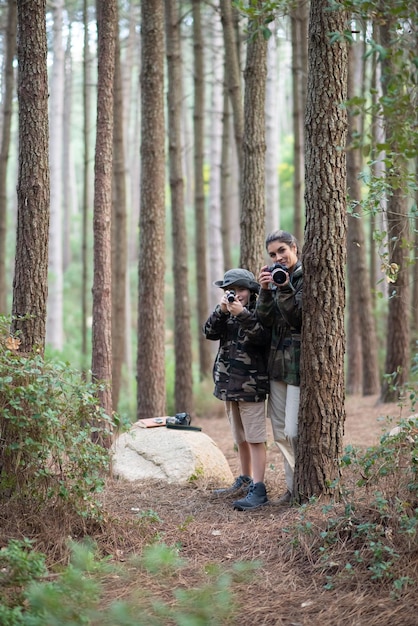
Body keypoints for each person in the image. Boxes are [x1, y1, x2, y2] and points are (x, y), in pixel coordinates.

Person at [203, 268, 271, 511]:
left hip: (250, 386)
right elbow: (209, 332)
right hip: (228, 385)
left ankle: (259, 487)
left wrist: (242, 314)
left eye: (241, 289)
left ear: (251, 291)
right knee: (240, 437)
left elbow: (262, 338)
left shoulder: (258, 310)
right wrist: (221, 311)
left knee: (254, 438)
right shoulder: (226, 313)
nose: (236, 294)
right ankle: (245, 479)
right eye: (230, 290)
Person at [256, 230, 302, 505]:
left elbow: (298, 317)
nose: (278, 258)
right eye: (273, 254)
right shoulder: (273, 279)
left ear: (294, 248)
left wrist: (283, 287)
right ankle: (291, 489)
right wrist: (264, 290)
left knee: (294, 432)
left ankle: (304, 484)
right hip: (276, 367)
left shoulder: (305, 277)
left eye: (282, 250)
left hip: (298, 368)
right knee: (280, 434)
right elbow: (266, 320)